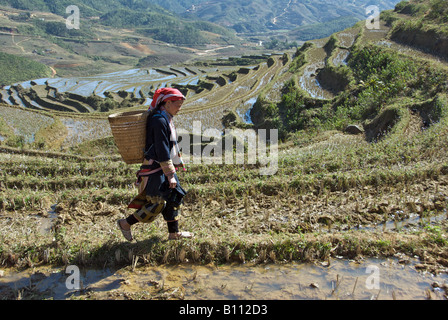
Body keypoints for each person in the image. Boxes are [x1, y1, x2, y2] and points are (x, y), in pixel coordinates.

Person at [117, 87, 193, 241]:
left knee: (174, 196)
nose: (179, 109)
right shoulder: (158, 120)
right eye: (177, 105)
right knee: (157, 202)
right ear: (167, 103)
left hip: (162, 167)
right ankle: (125, 223)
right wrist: (170, 175)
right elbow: (162, 148)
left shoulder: (165, 117)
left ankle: (174, 233)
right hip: (155, 168)